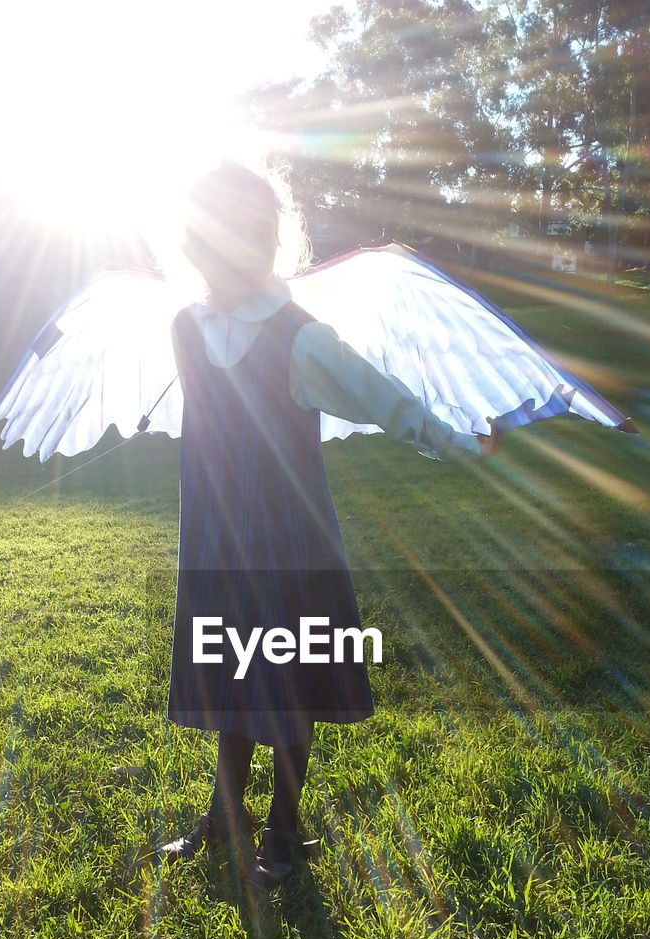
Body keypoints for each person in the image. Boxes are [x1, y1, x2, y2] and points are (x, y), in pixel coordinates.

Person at [161, 161, 498, 889]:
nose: (230, 249)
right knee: (235, 677)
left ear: (268, 239)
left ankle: (283, 827)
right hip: (218, 543)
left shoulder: (299, 338)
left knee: (287, 684)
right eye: (213, 235)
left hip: (290, 545)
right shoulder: (185, 328)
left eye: (249, 234)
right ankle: (226, 815)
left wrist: (458, 439)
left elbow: (384, 399)